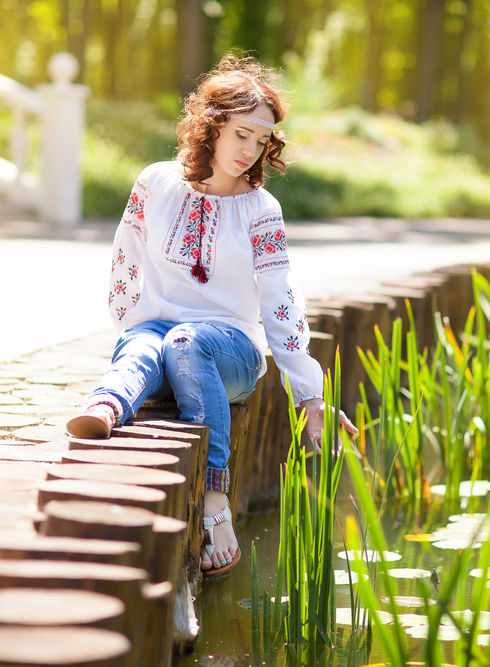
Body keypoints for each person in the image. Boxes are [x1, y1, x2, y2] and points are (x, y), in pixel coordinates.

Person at [65, 54, 357, 579]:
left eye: (261, 140)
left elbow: (278, 299)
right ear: (212, 125)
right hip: (159, 336)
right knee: (146, 344)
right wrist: (132, 325)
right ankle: (107, 406)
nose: (250, 151)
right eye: (242, 134)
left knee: (184, 341)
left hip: (232, 354)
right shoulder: (155, 182)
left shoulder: (261, 209)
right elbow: (124, 260)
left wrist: (309, 394)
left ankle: (215, 504)